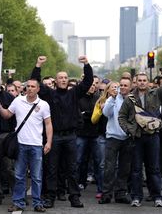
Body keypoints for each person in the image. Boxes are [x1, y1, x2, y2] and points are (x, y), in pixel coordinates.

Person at [31, 55, 93, 208]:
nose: (64, 80)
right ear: (55, 81)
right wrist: (38, 65)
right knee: (52, 168)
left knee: (72, 168)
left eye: (66, 77)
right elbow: (35, 82)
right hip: (55, 137)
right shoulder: (49, 94)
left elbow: (87, 82)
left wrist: (86, 64)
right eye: (60, 78)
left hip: (71, 136)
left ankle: (74, 197)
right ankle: (50, 197)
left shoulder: (74, 93)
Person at [119, 59, 162, 208]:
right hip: (137, 138)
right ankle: (136, 197)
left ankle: (157, 196)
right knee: (136, 169)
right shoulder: (130, 98)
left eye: (145, 80)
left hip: (153, 136)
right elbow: (122, 117)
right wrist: (129, 130)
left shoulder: (156, 93)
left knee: (154, 169)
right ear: (136, 82)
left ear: (148, 82)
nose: (143, 83)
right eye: (140, 81)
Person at [0, 79, 52, 212]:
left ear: (38, 89)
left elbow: (48, 124)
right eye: (27, 86)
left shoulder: (43, 105)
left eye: (33, 86)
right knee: (19, 175)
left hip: (36, 145)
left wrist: (49, 142)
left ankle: (37, 203)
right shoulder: (18, 101)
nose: (30, 88)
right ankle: (18, 202)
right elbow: (7, 115)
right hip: (20, 145)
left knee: (37, 177)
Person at [99, 77, 133, 204]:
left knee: (124, 168)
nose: (123, 87)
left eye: (125, 85)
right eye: (121, 85)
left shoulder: (132, 100)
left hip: (128, 138)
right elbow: (106, 113)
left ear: (130, 87)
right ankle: (106, 194)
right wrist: (112, 99)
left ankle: (120, 194)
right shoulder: (112, 98)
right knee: (109, 168)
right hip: (113, 138)